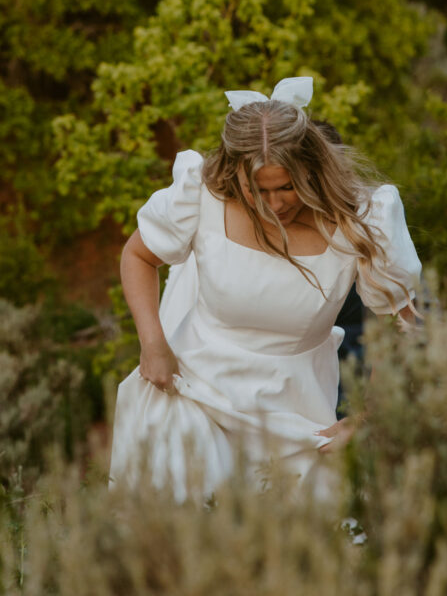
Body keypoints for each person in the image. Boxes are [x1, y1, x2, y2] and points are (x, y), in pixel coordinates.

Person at [109, 78, 421, 502]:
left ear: (313, 169)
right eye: (260, 190)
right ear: (237, 174)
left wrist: (368, 417)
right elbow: (138, 255)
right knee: (183, 524)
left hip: (297, 412)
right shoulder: (200, 196)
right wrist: (153, 344)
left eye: (288, 187)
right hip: (192, 390)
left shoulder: (363, 219)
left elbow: (401, 324)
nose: (275, 205)